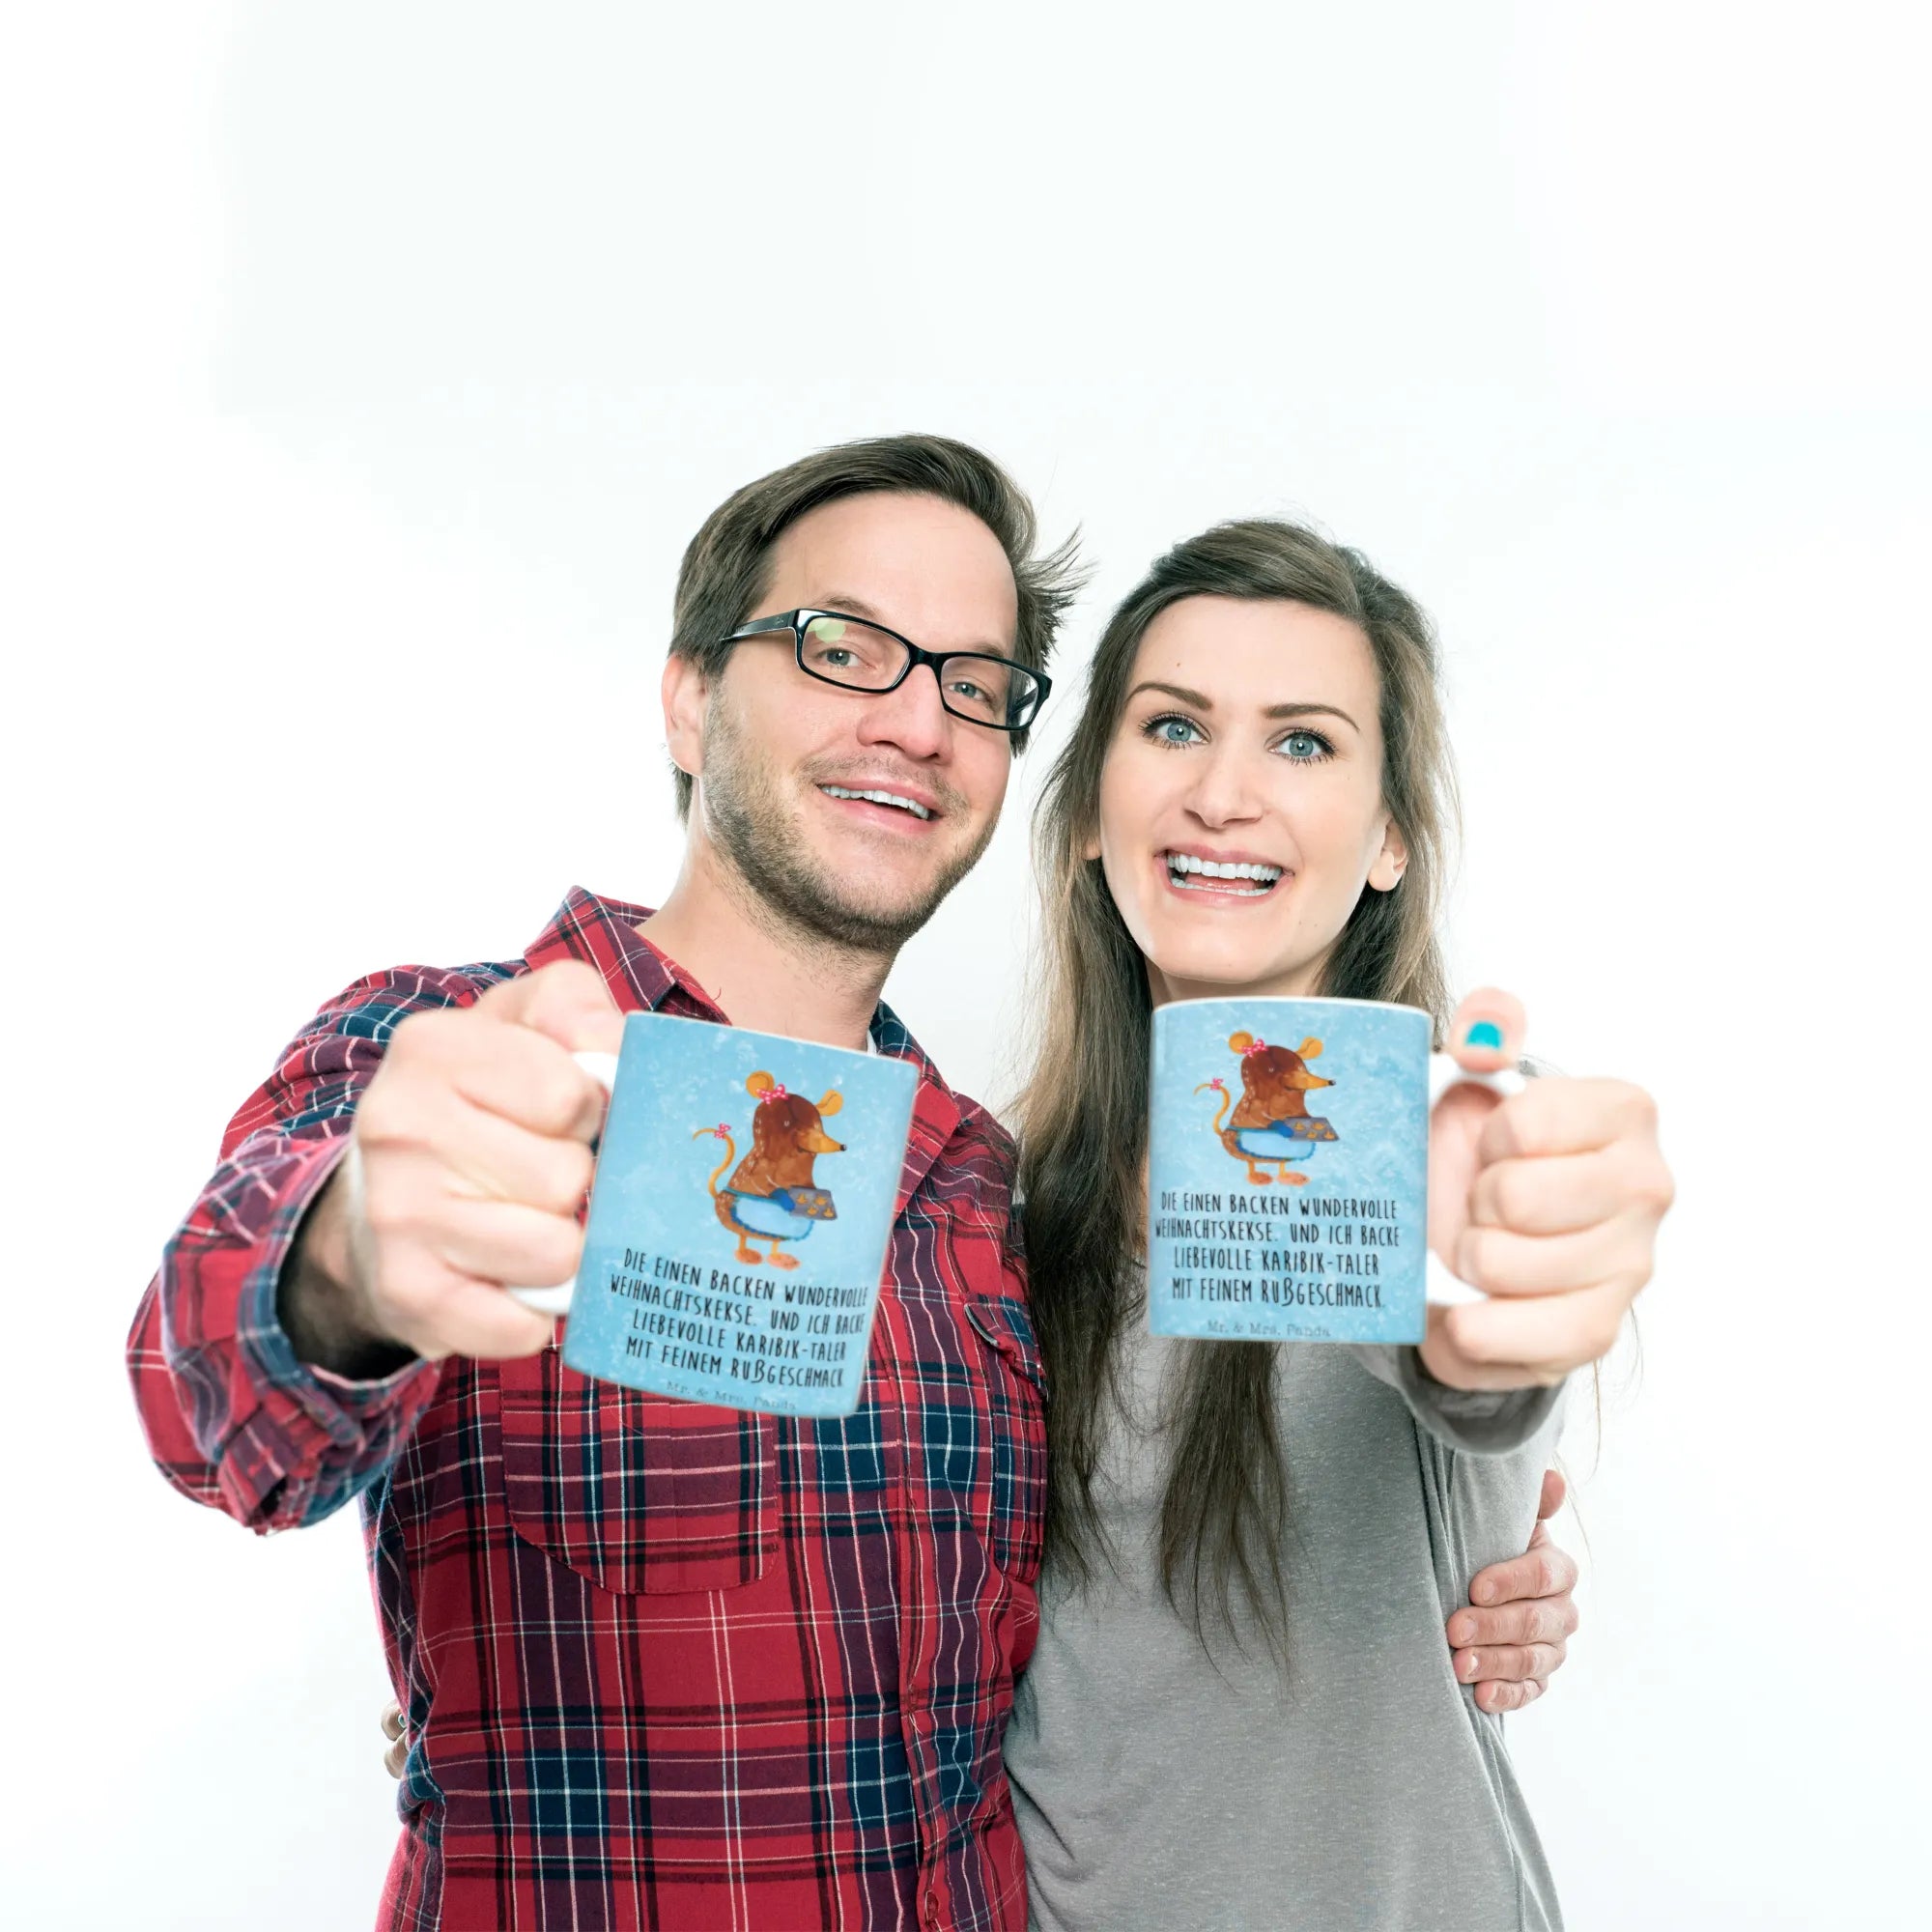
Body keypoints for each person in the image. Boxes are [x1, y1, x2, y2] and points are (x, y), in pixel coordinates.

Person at [129, 436, 1584, 1932]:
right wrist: (350, 1265)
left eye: (973, 683)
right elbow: (206, 1388)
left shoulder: (981, 1193)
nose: (916, 721)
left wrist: (1489, 1495)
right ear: (691, 696)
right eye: (844, 647)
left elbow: (1428, 1371)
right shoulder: (457, 1057)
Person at [1003, 520, 1672, 1929]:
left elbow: (1473, 1359)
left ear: (1388, 841)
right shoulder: (994, 1207)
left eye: (1302, 742)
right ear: (1087, 813)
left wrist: (1504, 1299)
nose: (1223, 794)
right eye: (1173, 726)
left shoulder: (1443, 1144)